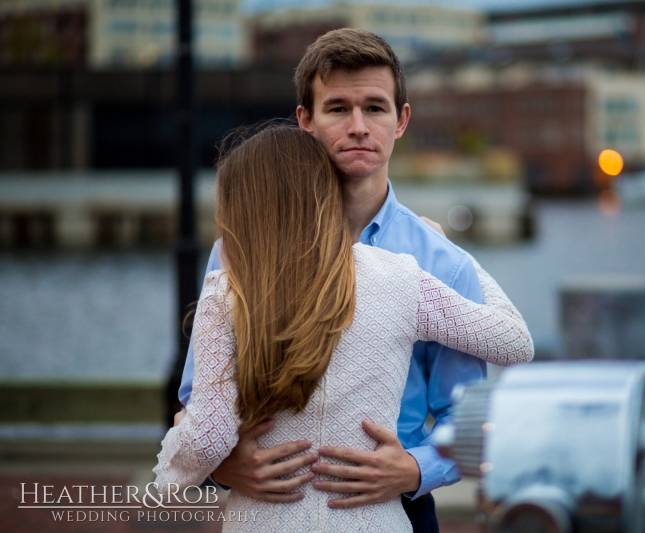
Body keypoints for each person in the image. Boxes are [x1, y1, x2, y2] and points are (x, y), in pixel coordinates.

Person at [177, 29, 521, 532]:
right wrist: (223, 465)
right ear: (305, 120)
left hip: (394, 509)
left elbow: (470, 417)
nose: (358, 126)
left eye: (375, 108)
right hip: (267, 508)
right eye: (338, 108)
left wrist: (416, 469)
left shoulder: (442, 264)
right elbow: (195, 398)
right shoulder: (240, 249)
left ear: (401, 120)